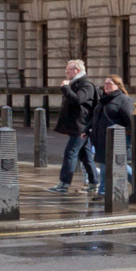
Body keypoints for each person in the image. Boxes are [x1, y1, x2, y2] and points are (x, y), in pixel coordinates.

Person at [53, 59, 98, 193]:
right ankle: (94, 182)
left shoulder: (86, 85)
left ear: (77, 71)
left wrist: (65, 88)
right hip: (77, 126)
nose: (66, 73)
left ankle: (64, 183)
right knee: (85, 156)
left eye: (68, 71)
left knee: (70, 153)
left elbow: (78, 99)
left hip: (81, 126)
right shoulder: (76, 83)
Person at [91, 76, 136, 199]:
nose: (106, 86)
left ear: (118, 85)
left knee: (119, 165)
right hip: (101, 139)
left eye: (110, 84)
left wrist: (128, 132)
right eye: (105, 84)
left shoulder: (124, 100)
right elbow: (96, 119)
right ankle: (103, 191)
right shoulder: (103, 100)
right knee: (104, 165)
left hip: (116, 139)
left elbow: (131, 120)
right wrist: (87, 130)